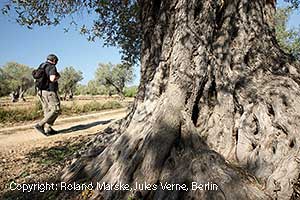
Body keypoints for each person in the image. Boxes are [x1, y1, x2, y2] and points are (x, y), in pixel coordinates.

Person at [34, 54, 61, 135]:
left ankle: (48, 129)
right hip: (49, 91)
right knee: (56, 109)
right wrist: (58, 77)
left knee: (47, 110)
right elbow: (52, 79)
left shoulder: (42, 66)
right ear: (54, 60)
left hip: (41, 92)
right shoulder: (52, 67)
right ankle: (40, 125)